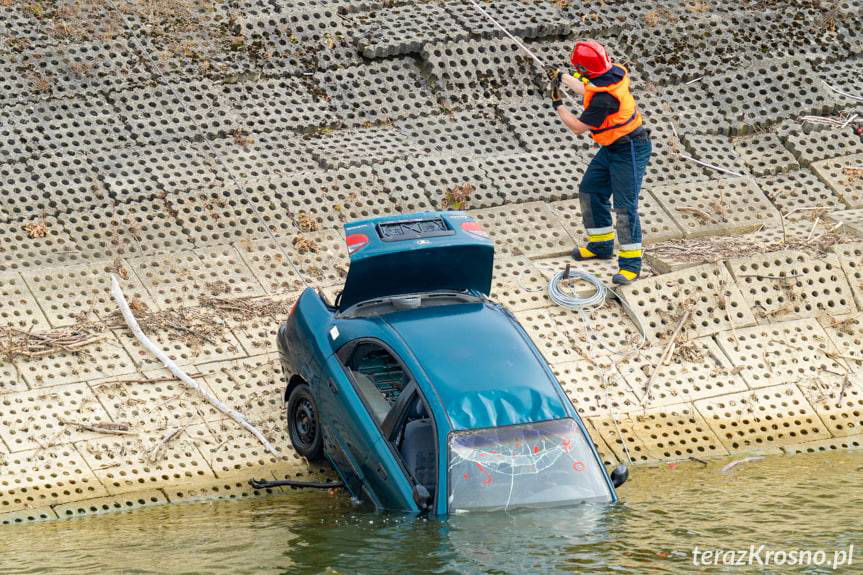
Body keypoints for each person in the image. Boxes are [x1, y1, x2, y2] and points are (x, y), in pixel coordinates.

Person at [547, 41, 652, 285]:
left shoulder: (603, 100)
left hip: (631, 149)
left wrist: (557, 104)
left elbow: (577, 128)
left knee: (625, 206)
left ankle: (631, 265)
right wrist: (562, 76)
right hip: (613, 146)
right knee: (590, 190)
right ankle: (601, 245)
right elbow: (585, 87)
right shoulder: (611, 73)